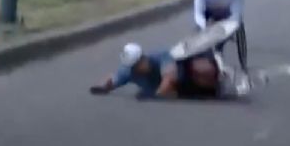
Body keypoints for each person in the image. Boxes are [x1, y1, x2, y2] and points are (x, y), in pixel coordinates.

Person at [89, 43, 224, 99]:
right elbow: (113, 80)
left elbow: (169, 79)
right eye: (133, 67)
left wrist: (156, 95)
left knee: (201, 69)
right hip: (176, 92)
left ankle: (216, 85)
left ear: (143, 58)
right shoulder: (129, 71)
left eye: (137, 64)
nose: (136, 69)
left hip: (185, 78)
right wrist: (103, 86)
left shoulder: (161, 57)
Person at [194, 0, 247, 71]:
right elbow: (198, 14)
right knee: (200, 34)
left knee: (234, 28)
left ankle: (241, 64)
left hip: (226, 14)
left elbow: (236, 15)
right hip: (209, 14)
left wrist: (224, 29)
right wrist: (205, 27)